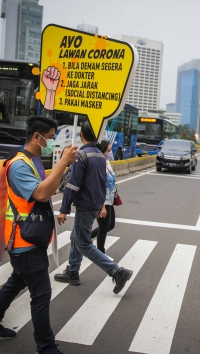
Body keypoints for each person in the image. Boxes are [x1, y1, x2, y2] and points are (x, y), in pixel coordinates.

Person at [0, 116, 78, 354]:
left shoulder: (32, 161)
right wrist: (62, 163)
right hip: (25, 242)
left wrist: (63, 168)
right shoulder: (20, 164)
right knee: (41, 294)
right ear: (36, 137)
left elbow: (47, 190)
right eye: (51, 138)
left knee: (15, 282)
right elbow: (41, 194)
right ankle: (46, 347)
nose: (52, 143)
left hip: (28, 239)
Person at [54, 122, 133, 293]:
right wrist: (100, 206)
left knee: (84, 244)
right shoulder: (99, 155)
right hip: (94, 204)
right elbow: (101, 183)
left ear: (81, 135)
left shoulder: (81, 155)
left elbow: (72, 186)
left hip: (85, 205)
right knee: (77, 236)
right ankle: (73, 271)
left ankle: (117, 271)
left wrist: (64, 209)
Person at [90, 140, 117, 260]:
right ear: (103, 151)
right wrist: (102, 206)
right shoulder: (99, 165)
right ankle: (100, 253)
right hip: (103, 201)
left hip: (110, 200)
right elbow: (98, 185)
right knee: (104, 227)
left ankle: (83, 240)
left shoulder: (107, 162)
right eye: (109, 150)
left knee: (110, 226)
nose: (110, 152)